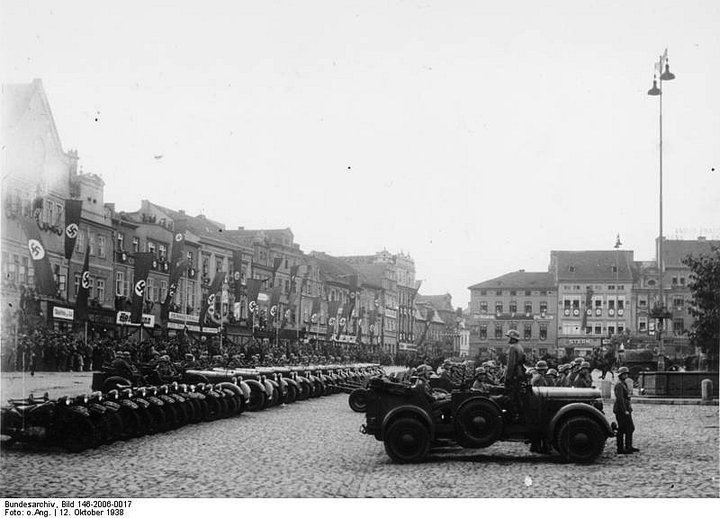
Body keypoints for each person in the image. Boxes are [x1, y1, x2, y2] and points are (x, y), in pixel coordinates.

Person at [614, 366, 639, 454]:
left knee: (630, 428)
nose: (625, 376)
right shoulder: (619, 385)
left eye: (626, 374)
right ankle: (620, 448)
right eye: (624, 374)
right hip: (621, 410)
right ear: (620, 375)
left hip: (626, 408)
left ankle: (628, 446)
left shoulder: (623, 383)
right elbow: (620, 399)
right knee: (621, 429)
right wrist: (624, 410)